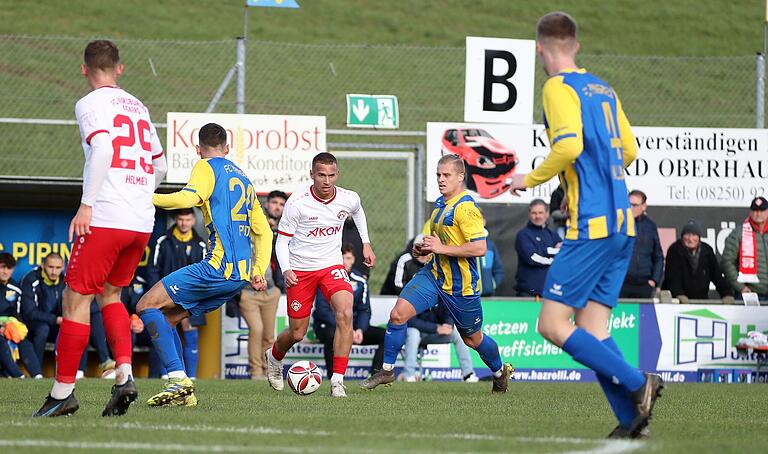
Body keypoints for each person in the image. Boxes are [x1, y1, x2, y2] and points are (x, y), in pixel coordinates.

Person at [508, 12, 663, 439]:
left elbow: (570, 144)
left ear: (541, 49)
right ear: (575, 44)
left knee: (552, 326)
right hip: (622, 226)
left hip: (591, 225)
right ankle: (634, 419)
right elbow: (629, 149)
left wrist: (531, 178)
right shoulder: (603, 87)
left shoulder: (557, 87)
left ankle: (637, 383)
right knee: (594, 329)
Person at [34, 40, 167, 418]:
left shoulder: (89, 103)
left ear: (84, 69)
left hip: (107, 216)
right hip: (140, 220)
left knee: (75, 301)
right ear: (120, 69)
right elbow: (160, 168)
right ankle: (124, 374)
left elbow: (105, 149)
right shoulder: (139, 106)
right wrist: (136, 192)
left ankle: (63, 393)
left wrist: (87, 204)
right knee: (111, 297)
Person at [136, 122, 272, 407]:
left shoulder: (206, 166)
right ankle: (184, 393)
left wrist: (143, 198)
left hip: (216, 268)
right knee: (168, 319)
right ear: (227, 148)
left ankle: (178, 379)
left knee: (146, 306)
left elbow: (189, 197)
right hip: (238, 277)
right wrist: (258, 271)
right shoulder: (245, 179)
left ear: (199, 149)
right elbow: (265, 231)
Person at [361, 154, 513, 393]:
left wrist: (441, 248)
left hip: (460, 284)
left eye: (446, 175)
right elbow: (440, 243)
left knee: (472, 339)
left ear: (460, 177)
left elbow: (479, 247)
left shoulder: (466, 208)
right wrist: (423, 249)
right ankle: (387, 370)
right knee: (398, 314)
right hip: (433, 275)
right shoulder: (440, 205)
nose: (441, 180)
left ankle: (499, 372)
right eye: (438, 175)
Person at [265, 152, 376, 398]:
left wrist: (366, 243)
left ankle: (337, 380)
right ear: (312, 175)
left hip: (331, 265)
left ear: (337, 175)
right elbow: (281, 243)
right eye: (321, 175)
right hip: (300, 269)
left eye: (331, 175)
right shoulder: (297, 202)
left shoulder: (348, 198)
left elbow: (358, 212)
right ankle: (274, 357)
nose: (326, 181)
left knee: (345, 313)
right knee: (297, 333)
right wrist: (286, 269)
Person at [149, 208, 207, 379]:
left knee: (190, 330)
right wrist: (157, 295)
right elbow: (153, 270)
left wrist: (196, 297)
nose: (184, 223)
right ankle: (166, 374)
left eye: (187, 220)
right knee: (164, 329)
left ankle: (191, 376)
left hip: (191, 297)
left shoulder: (200, 245)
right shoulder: (163, 241)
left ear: (193, 221)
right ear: (176, 219)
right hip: (165, 295)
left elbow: (204, 275)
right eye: (181, 219)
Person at [313, 243, 384, 380]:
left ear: (353, 259)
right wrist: (346, 328)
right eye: (342, 258)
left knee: (386, 336)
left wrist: (360, 330)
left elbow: (364, 309)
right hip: (329, 326)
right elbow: (322, 310)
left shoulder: (360, 281)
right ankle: (333, 377)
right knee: (332, 334)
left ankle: (375, 376)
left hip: (354, 328)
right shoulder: (325, 278)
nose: (345, 261)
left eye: (348, 258)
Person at [401, 301, 479, 383]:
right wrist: (436, 328)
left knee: (458, 333)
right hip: (419, 332)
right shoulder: (416, 295)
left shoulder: (441, 293)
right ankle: (408, 375)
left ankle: (468, 374)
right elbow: (410, 321)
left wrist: (448, 324)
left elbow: (450, 311)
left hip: (437, 333)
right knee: (413, 333)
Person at [662, 220, 734, 303]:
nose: (690, 239)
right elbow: (672, 277)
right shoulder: (674, 250)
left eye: (694, 235)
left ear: (699, 237)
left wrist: (727, 294)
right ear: (682, 236)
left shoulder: (707, 251)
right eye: (687, 234)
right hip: (678, 301)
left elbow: (717, 275)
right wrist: (679, 294)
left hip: (701, 300)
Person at [238, 247, 280, 380]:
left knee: (269, 335)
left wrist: (280, 286)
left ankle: (269, 372)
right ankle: (256, 371)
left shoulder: (269, 234)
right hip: (248, 292)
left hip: (270, 291)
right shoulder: (238, 234)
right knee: (256, 329)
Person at [0, 252, 42, 378]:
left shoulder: (15, 288)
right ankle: (17, 375)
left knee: (23, 340)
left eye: (9, 268)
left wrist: (17, 328)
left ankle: (38, 376)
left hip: (7, 326)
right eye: (2, 267)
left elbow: (16, 314)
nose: (5, 271)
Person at [722, 196, 768, 299]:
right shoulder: (739, 233)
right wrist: (740, 287)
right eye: (755, 210)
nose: (758, 214)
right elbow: (727, 261)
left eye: (762, 210)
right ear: (750, 212)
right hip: (750, 293)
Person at [620, 190, 664, 298]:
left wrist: (654, 280)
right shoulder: (618, 223)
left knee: (645, 315)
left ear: (644, 206)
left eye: (634, 205)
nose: (631, 208)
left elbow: (658, 256)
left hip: (644, 284)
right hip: (621, 283)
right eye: (628, 204)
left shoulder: (650, 226)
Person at [514, 199, 561, 297]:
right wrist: (551, 255)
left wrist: (544, 252)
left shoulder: (553, 234)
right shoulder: (523, 235)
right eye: (534, 213)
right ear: (529, 214)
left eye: (541, 212)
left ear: (547, 214)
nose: (538, 216)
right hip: (528, 292)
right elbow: (532, 258)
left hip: (551, 291)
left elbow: (563, 253)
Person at [477, 212, 505, 297]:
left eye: (479, 218)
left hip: (489, 296)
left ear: (484, 221)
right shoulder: (462, 245)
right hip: (469, 299)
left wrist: (492, 285)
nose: (477, 221)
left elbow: (498, 270)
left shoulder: (490, 246)